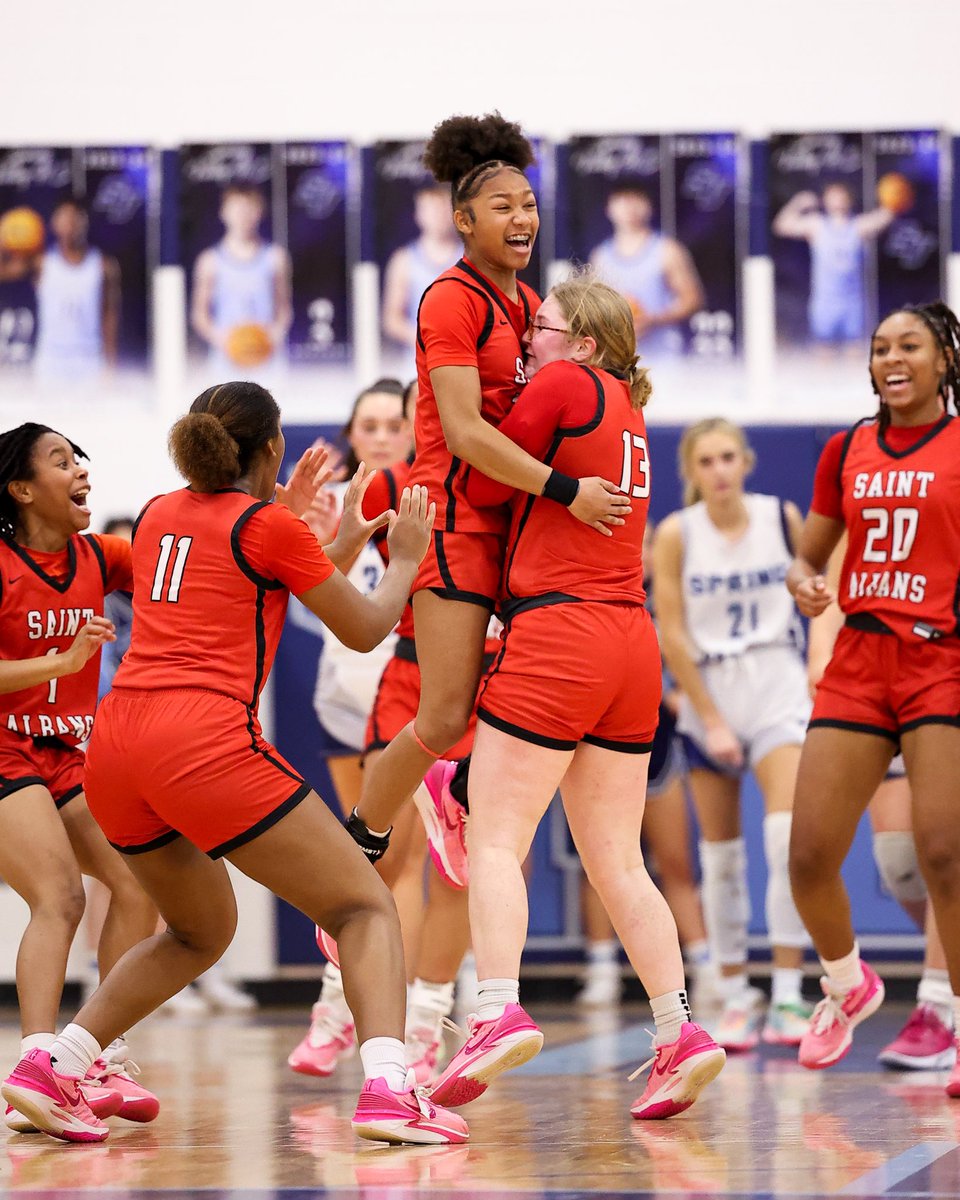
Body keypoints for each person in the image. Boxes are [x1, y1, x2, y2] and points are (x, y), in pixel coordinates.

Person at [1, 381, 467, 1147]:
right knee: (361, 907)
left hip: (116, 748)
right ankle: (390, 1088)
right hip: (201, 739)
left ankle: (55, 1063)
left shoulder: (156, 513)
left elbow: (268, 570)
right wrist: (406, 559)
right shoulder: (265, 528)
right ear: (272, 448)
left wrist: (305, 525)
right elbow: (362, 626)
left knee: (197, 931)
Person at [424, 275, 725, 1121]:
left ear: (584, 342)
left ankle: (494, 1010)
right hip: (631, 645)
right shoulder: (629, 410)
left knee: (494, 838)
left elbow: (483, 476)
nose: (527, 342)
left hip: (561, 632)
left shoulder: (562, 382)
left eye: (542, 327)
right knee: (619, 860)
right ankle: (678, 1030)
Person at [322, 112, 630, 898]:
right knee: (443, 715)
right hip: (457, 517)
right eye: (502, 206)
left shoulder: (533, 305)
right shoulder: (448, 301)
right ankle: (351, 856)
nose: (522, 218)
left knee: (521, 694)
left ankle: (453, 794)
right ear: (463, 220)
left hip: (519, 524)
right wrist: (569, 489)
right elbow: (462, 431)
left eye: (528, 204)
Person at [787, 305, 960, 1096]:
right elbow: (809, 554)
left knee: (943, 854)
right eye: (880, 347)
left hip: (941, 660)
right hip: (859, 656)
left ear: (945, 361)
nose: (892, 358)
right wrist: (805, 582)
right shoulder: (846, 447)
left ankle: (952, 1017)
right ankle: (847, 982)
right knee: (811, 853)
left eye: (910, 346)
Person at [0, 423, 159, 1134]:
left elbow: (187, 559)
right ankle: (36, 1067)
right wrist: (58, 666)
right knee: (59, 897)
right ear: (23, 488)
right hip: (3, 749)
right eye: (61, 461)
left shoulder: (101, 555)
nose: (81, 470)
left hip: (66, 753)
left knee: (136, 884)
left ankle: (97, 1054)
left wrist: (258, 510)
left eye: (81, 458)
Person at [651, 419, 813, 1051]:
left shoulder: (782, 518)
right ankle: (735, 991)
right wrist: (710, 716)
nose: (719, 470)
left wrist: (819, 664)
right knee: (718, 858)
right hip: (710, 691)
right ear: (690, 471)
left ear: (746, 462)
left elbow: (820, 594)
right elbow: (672, 631)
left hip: (776, 682)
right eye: (706, 461)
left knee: (784, 840)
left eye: (727, 458)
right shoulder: (676, 534)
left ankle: (791, 994)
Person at [806, 538, 956, 1072]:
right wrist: (821, 649)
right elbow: (840, 564)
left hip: (940, 668)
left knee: (945, 852)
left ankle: (939, 1006)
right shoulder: (868, 466)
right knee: (898, 861)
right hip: (873, 673)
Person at [0, 201, 121, 383]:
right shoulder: (41, 264)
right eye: (64, 218)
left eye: (74, 218)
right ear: (54, 224)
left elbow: (109, 316)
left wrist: (110, 366)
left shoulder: (103, 266)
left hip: (89, 363)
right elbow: (5, 272)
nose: (69, 225)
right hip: (51, 364)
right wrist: (5, 240)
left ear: (84, 222)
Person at [772, 182, 894, 351]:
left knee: (855, 351)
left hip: (852, 303)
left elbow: (885, 217)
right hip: (825, 303)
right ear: (825, 201)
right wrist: (797, 203)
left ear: (849, 200)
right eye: (833, 197)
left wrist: (892, 195)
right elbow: (781, 226)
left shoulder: (858, 226)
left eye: (841, 197)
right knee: (824, 352)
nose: (837, 201)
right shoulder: (817, 225)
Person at [589, 186, 704, 358]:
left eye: (636, 199)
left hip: (664, 359)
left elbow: (693, 298)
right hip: (617, 359)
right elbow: (592, 308)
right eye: (622, 200)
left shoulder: (667, 250)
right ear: (609, 209)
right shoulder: (600, 257)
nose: (629, 207)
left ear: (649, 206)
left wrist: (654, 319)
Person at [190, 185, 292, 376]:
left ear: (260, 212)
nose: (242, 216)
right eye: (236, 209)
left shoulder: (275, 257)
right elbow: (200, 315)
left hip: (267, 362)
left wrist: (272, 335)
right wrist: (225, 339)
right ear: (223, 213)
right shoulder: (209, 261)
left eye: (249, 208)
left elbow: (284, 308)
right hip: (225, 363)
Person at [381, 184, 462, 368]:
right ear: (418, 215)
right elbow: (391, 319)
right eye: (431, 210)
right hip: (417, 367)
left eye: (442, 209)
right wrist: (426, 339)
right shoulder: (403, 260)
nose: (437, 216)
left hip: (465, 362)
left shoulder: (474, 258)